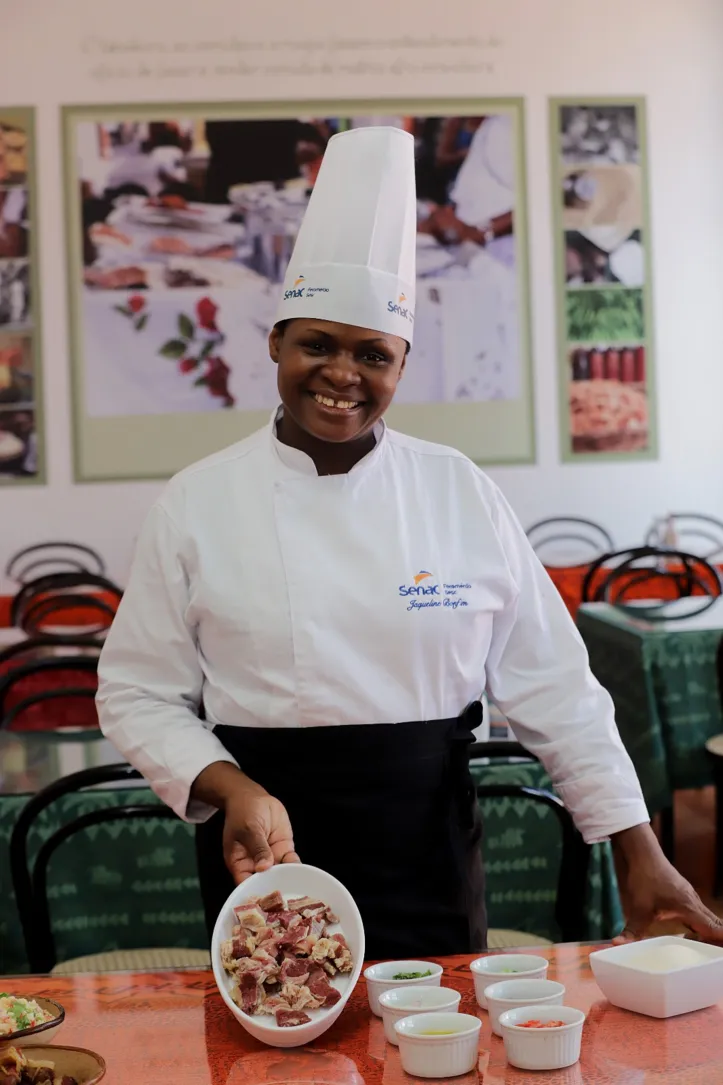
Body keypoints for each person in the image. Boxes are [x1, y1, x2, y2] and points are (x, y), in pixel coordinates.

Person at [97, 127, 723, 959]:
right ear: (275, 342)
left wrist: (638, 847)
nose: (341, 374)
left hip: (425, 847)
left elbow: (557, 689)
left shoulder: (457, 489)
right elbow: (136, 691)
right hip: (263, 844)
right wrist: (228, 785)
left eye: (372, 355)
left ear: (402, 364)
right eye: (316, 344)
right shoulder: (198, 500)